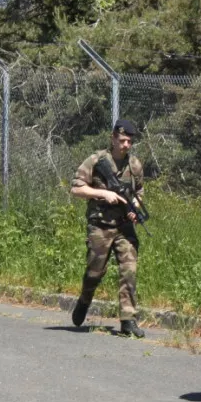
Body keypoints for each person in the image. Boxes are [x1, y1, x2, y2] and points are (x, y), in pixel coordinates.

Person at [69, 118, 146, 338]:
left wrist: (135, 209)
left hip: (124, 227)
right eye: (122, 140)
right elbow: (76, 188)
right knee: (95, 272)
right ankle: (85, 299)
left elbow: (139, 192)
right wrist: (103, 193)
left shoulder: (135, 165)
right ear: (113, 138)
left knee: (129, 270)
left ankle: (128, 320)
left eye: (129, 141)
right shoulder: (96, 160)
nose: (125, 145)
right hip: (100, 226)